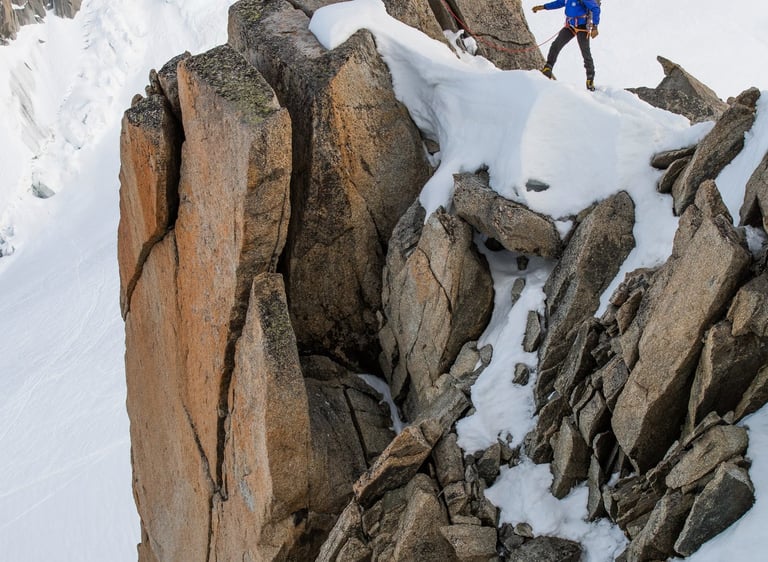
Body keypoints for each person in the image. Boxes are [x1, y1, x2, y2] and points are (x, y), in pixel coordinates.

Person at [532, 0, 601, 91]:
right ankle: (548, 68)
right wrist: (544, 7)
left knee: (585, 53)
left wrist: (595, 27)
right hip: (571, 26)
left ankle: (590, 79)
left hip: (582, 27)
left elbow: (596, 8)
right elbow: (559, 3)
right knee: (556, 45)